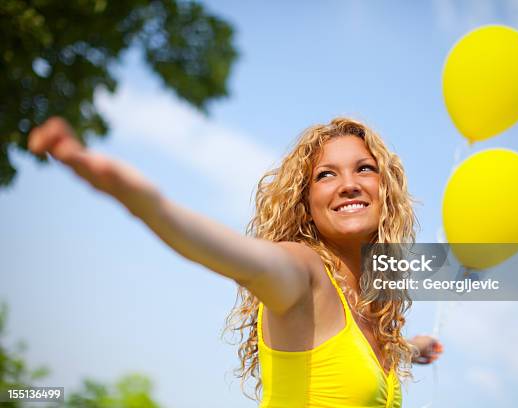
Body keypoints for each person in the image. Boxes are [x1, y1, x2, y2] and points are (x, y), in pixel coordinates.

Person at [28, 116, 443, 407]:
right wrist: (146, 204)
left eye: (364, 169)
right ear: (305, 204)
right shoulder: (303, 273)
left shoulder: (370, 307)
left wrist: (412, 348)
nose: (349, 184)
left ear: (385, 190)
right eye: (326, 175)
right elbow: (235, 255)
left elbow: (345, 360)